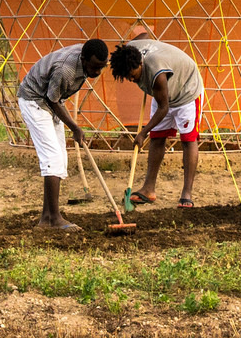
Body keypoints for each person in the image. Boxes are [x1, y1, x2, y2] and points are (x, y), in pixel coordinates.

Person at [16, 38, 110, 230]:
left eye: (102, 67)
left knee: (60, 158)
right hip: (35, 101)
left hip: (50, 101)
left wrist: (72, 126)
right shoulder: (65, 70)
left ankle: (46, 218)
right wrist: (75, 127)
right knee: (52, 157)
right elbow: (52, 100)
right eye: (94, 67)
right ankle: (54, 219)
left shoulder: (85, 58)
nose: (98, 72)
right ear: (83, 59)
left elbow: (55, 99)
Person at [109, 38, 205, 207]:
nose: (131, 80)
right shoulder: (130, 52)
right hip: (161, 93)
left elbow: (163, 108)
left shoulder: (156, 72)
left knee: (188, 140)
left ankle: (186, 194)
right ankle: (148, 189)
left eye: (132, 75)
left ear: (140, 64)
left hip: (187, 91)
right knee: (157, 137)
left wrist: (142, 133)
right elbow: (144, 35)